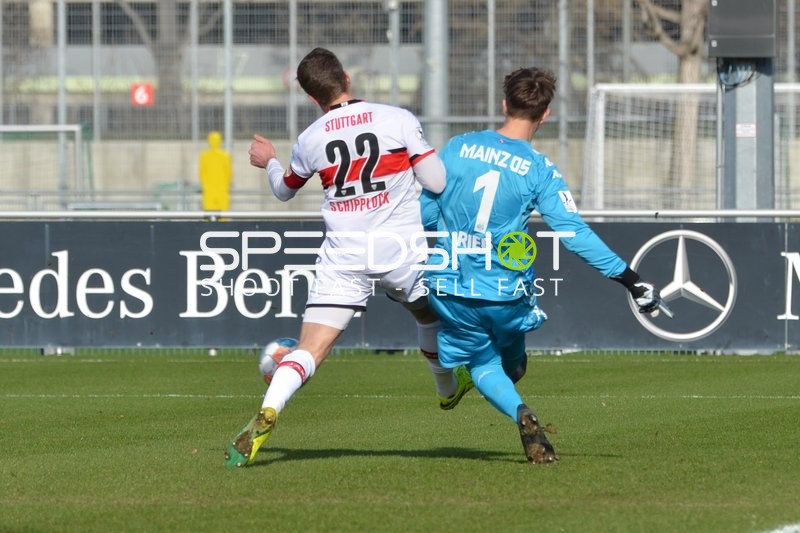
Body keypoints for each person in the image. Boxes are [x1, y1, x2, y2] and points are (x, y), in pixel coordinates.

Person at [224, 47, 473, 467]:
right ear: (347, 78)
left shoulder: (310, 139)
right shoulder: (397, 119)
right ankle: (446, 389)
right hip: (400, 251)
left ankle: (269, 410)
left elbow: (284, 189)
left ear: (310, 97)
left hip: (344, 255)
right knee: (428, 318)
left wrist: (269, 161)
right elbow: (436, 180)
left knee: (310, 348)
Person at [420, 67, 667, 464]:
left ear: (504, 104)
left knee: (484, 364)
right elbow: (574, 234)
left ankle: (520, 410)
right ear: (546, 114)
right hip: (504, 290)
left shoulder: (457, 147)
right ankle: (510, 386)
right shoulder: (539, 170)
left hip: (451, 284)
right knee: (512, 362)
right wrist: (631, 279)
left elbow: (426, 214)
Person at [199, 130, 233, 213]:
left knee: (223, 215)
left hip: (221, 190)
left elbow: (228, 172)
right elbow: (202, 172)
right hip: (209, 190)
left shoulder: (225, 156)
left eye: (216, 140)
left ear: (220, 141)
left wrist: (225, 186)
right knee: (208, 214)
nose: (214, 142)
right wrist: (206, 186)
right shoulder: (205, 156)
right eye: (213, 140)